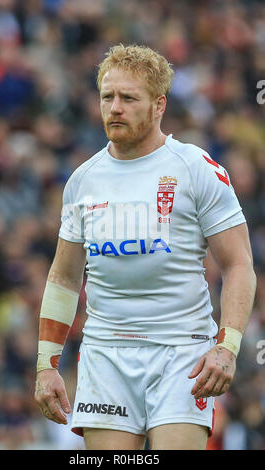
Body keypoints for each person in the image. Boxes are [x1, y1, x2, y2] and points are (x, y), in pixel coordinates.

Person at [34, 44, 256, 450]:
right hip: (106, 354)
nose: (114, 108)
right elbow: (64, 278)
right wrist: (46, 365)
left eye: (128, 98)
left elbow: (239, 264)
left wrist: (227, 347)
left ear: (159, 105)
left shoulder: (196, 169)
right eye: (107, 96)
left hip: (181, 353)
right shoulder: (83, 180)